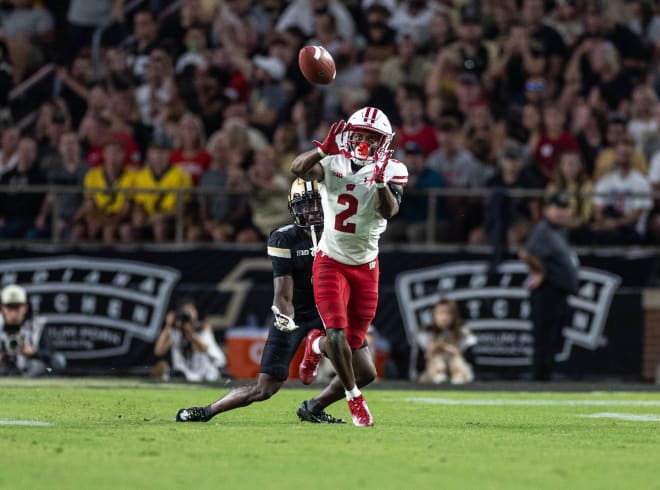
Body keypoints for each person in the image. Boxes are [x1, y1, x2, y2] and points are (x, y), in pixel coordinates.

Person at [176, 179, 377, 423]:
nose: (313, 210)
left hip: (330, 310)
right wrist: (284, 316)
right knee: (265, 388)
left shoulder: (341, 236)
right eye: (306, 205)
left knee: (366, 372)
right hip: (296, 314)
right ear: (294, 208)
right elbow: (282, 291)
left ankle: (313, 406)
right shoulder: (284, 239)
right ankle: (207, 411)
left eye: (317, 204)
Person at [290, 106, 408, 427]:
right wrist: (320, 151)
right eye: (360, 136)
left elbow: (388, 212)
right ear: (349, 134)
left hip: (366, 267)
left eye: (372, 138)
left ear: (384, 142)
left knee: (366, 370)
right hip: (330, 260)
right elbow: (297, 169)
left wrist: (381, 183)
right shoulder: (332, 161)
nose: (364, 143)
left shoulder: (393, 169)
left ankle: (313, 396)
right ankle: (355, 400)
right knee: (338, 334)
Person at [519, 192, 579, 381]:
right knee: (544, 333)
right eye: (557, 208)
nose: (561, 212)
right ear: (548, 210)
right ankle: (541, 374)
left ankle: (547, 371)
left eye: (564, 208)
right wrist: (540, 272)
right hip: (547, 290)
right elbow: (526, 254)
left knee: (554, 333)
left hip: (558, 291)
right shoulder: (543, 229)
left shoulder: (559, 231)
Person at [153, 299, 226, 382]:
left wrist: (191, 334)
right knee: (161, 367)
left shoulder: (202, 328)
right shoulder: (176, 332)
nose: (188, 315)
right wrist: (168, 326)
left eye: (191, 310)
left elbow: (204, 349)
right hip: (185, 373)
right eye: (185, 312)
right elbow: (158, 351)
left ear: (196, 313)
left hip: (205, 373)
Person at [0, 284, 66, 376]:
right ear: (2, 308)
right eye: (9, 307)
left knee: (55, 363)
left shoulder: (37, 325)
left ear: (25, 307)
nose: (13, 313)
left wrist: (34, 352)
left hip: (31, 369)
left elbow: (50, 354)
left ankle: (34, 385)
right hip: (3, 370)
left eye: (17, 307)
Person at [418, 299, 477, 385]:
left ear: (454, 315)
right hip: (432, 374)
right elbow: (418, 364)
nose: (444, 318)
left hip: (460, 372)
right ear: (433, 315)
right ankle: (439, 375)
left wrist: (448, 348)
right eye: (440, 313)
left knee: (456, 359)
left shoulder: (463, 332)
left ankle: (457, 376)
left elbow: (470, 360)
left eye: (448, 313)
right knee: (437, 359)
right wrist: (432, 349)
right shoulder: (425, 333)